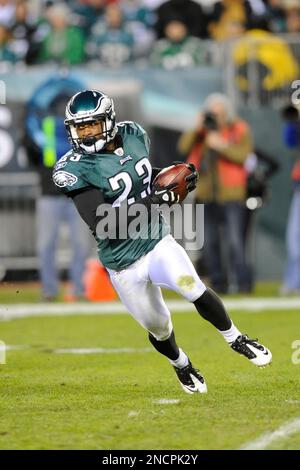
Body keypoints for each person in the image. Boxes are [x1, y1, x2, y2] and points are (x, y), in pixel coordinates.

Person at [52, 89, 272, 394]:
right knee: (159, 326)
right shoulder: (72, 168)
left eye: (93, 125)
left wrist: (173, 178)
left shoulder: (133, 134)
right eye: (81, 128)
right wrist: (157, 198)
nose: (87, 134)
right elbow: (103, 223)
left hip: (154, 240)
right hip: (121, 261)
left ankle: (235, 337)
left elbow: (138, 178)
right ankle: (181, 364)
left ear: (110, 121)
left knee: (190, 285)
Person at [178, 93, 252, 294]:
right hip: (206, 194)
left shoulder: (239, 128)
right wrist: (198, 127)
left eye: (219, 113)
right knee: (210, 242)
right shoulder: (201, 133)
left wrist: (222, 145)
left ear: (227, 114)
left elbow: (244, 156)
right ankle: (219, 284)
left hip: (232, 195)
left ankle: (243, 283)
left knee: (236, 242)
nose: (216, 118)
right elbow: (183, 147)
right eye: (212, 113)